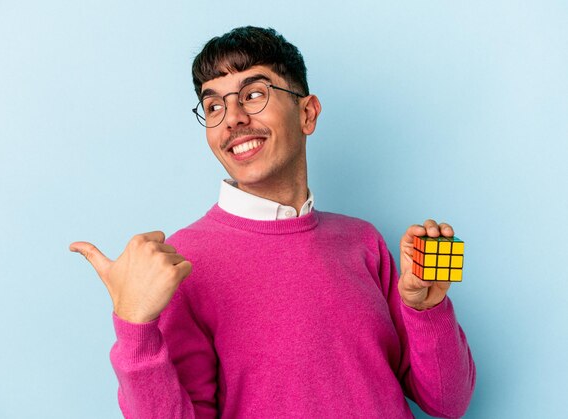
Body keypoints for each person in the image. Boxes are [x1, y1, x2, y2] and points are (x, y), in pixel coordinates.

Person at [70, 26, 475, 418]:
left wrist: (428, 309)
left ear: (307, 113)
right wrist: (135, 328)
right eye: (214, 106)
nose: (232, 118)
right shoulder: (182, 263)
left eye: (253, 94)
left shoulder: (362, 241)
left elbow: (447, 403)